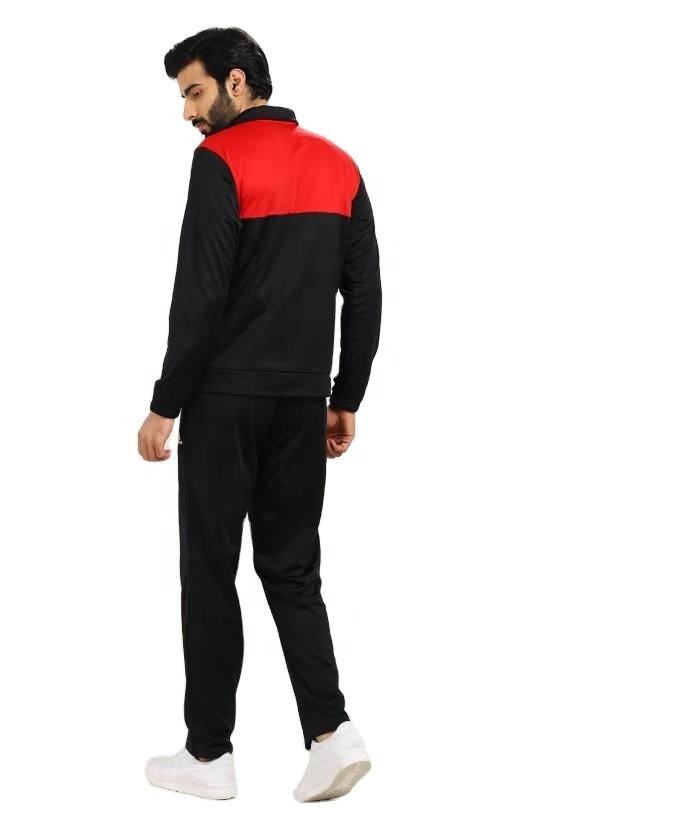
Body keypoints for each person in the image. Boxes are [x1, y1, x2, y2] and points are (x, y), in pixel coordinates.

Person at [137, 27, 382, 802]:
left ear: (237, 82)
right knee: (292, 566)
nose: (187, 112)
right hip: (301, 402)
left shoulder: (219, 160)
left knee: (210, 569)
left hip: (224, 401)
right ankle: (332, 735)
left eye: (194, 91)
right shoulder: (338, 164)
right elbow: (365, 295)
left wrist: (164, 404)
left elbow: (200, 295)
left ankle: (208, 755)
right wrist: (343, 397)